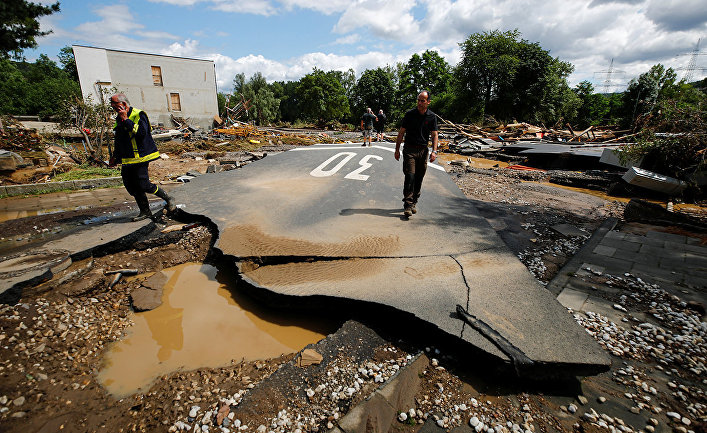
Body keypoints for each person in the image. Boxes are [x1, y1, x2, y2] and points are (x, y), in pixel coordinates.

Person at [108, 93, 176, 221]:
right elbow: (120, 140)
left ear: (123, 104)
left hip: (141, 157)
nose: (112, 106)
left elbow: (142, 133)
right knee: (131, 186)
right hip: (127, 159)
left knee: (144, 184)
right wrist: (115, 157)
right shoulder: (118, 119)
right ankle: (145, 211)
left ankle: (168, 198)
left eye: (115, 104)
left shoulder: (138, 115)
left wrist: (126, 120)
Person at [394, 90, 438, 218]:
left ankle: (414, 202)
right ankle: (407, 205)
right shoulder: (410, 115)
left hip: (423, 151)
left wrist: (434, 151)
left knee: (419, 178)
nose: (419, 102)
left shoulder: (431, 117)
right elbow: (401, 133)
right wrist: (397, 150)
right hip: (409, 150)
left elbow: (434, 134)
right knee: (410, 177)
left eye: (422, 100)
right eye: (418, 100)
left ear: (428, 102)